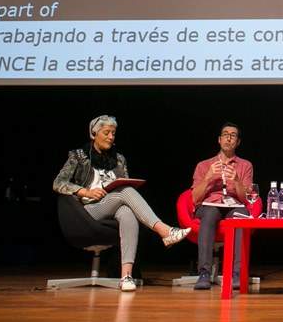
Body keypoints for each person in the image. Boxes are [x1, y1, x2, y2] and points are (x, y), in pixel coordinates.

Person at [52, 115, 189, 292]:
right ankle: (164, 230)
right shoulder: (78, 156)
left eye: (113, 133)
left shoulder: (119, 159)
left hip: (113, 205)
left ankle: (126, 276)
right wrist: (85, 191)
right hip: (87, 210)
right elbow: (58, 183)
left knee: (127, 212)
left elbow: (123, 182)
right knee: (125, 191)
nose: (111, 137)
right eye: (106, 133)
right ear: (94, 133)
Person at [188, 122, 254, 290]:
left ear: (238, 142)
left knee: (240, 217)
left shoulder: (245, 165)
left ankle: (237, 273)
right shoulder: (204, 165)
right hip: (209, 205)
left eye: (233, 135)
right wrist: (208, 177)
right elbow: (195, 198)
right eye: (225, 134)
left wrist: (237, 181)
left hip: (234, 205)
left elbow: (246, 199)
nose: (229, 138)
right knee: (210, 213)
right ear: (219, 139)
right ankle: (204, 272)